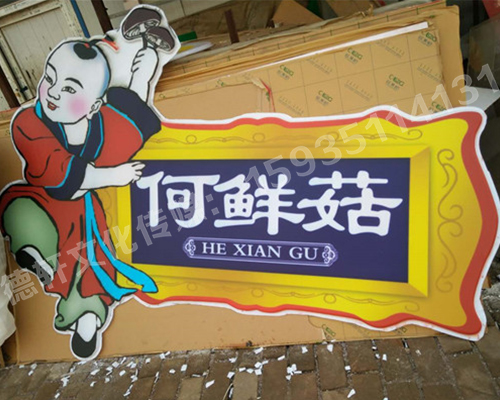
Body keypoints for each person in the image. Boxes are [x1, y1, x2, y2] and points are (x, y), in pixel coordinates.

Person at [0, 37, 164, 359]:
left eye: (70, 89)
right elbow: (55, 171)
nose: (54, 92)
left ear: (94, 106)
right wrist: (111, 176)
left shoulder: (101, 128)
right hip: (42, 199)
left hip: (83, 214)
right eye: (50, 79)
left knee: (89, 263)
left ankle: (87, 318)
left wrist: (142, 76)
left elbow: (128, 130)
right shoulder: (28, 122)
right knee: (21, 212)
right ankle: (37, 255)